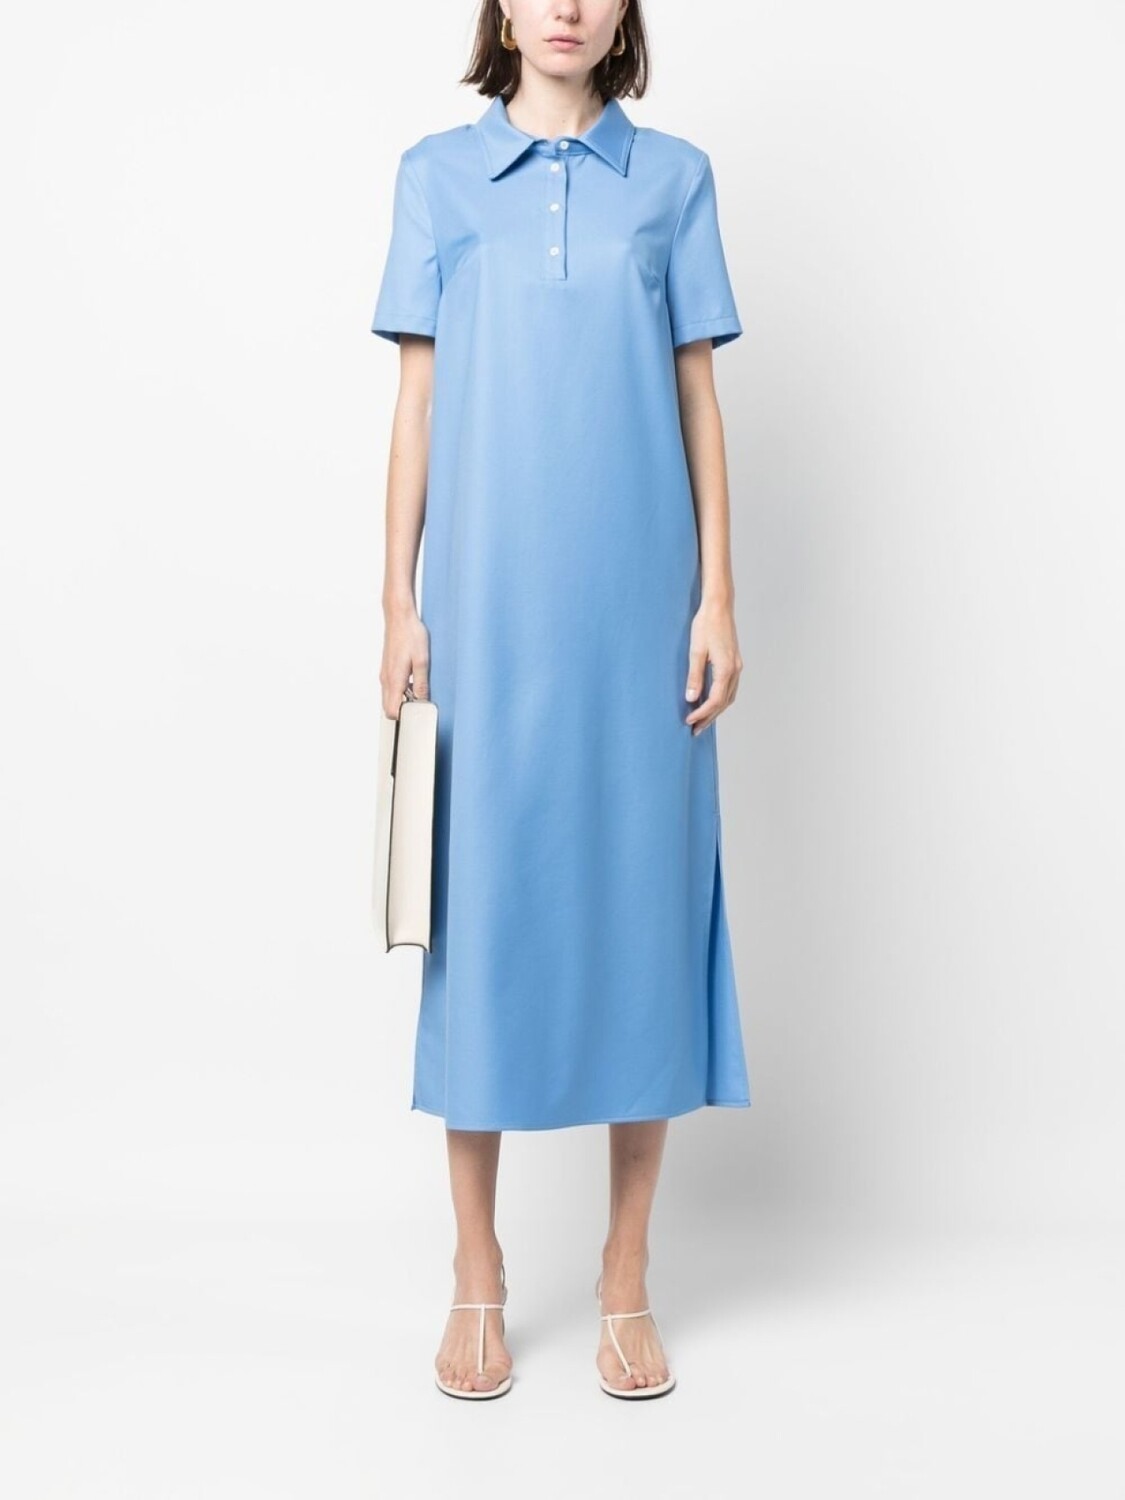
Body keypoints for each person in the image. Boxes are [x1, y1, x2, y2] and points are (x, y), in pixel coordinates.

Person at [370, 0, 752, 1401]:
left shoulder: (675, 179)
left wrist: (717, 598)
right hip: (485, 610)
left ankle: (625, 1272)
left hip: (639, 613)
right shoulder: (436, 177)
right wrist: (398, 603)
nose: (567, 7)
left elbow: (697, 396)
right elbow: (418, 402)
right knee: (480, 927)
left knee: (645, 915)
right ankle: (476, 1270)